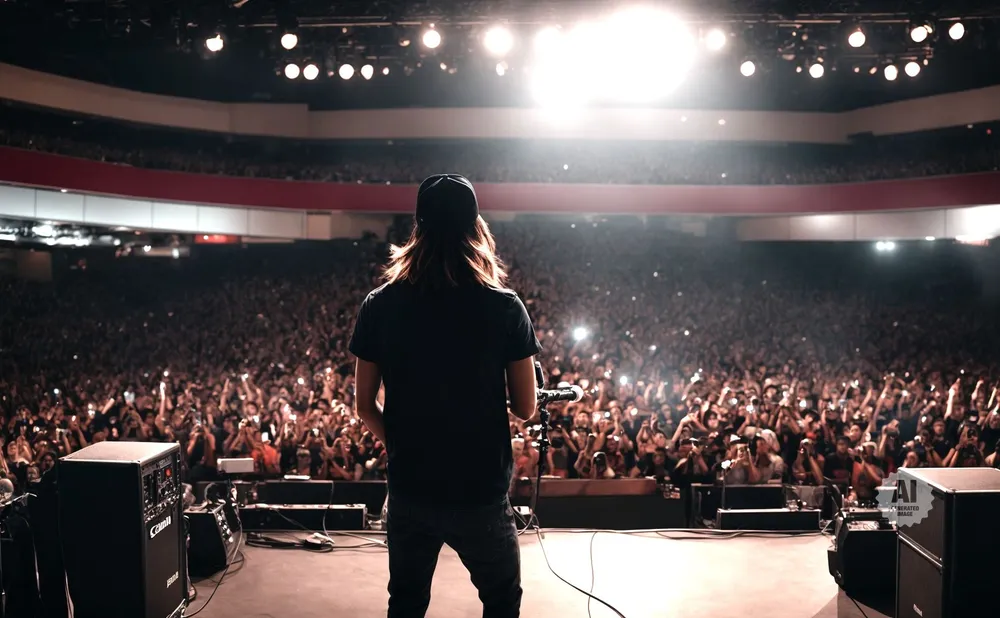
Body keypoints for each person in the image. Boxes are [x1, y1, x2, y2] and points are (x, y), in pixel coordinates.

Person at [349, 174, 540, 618]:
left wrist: (399, 443)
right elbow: (527, 407)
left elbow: (363, 406)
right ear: (476, 228)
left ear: (418, 226)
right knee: (501, 602)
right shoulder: (504, 306)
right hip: (480, 490)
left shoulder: (380, 304)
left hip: (412, 486)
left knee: (407, 604)